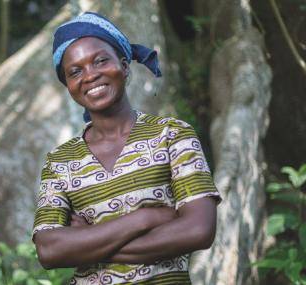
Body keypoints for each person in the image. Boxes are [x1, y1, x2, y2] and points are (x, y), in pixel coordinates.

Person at [32, 12, 221, 285]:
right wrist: (146, 218)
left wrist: (89, 242)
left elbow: (199, 230)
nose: (90, 75)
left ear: (124, 65)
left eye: (100, 61)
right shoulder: (60, 161)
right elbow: (49, 250)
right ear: (69, 86)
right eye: (75, 71)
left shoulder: (171, 135)